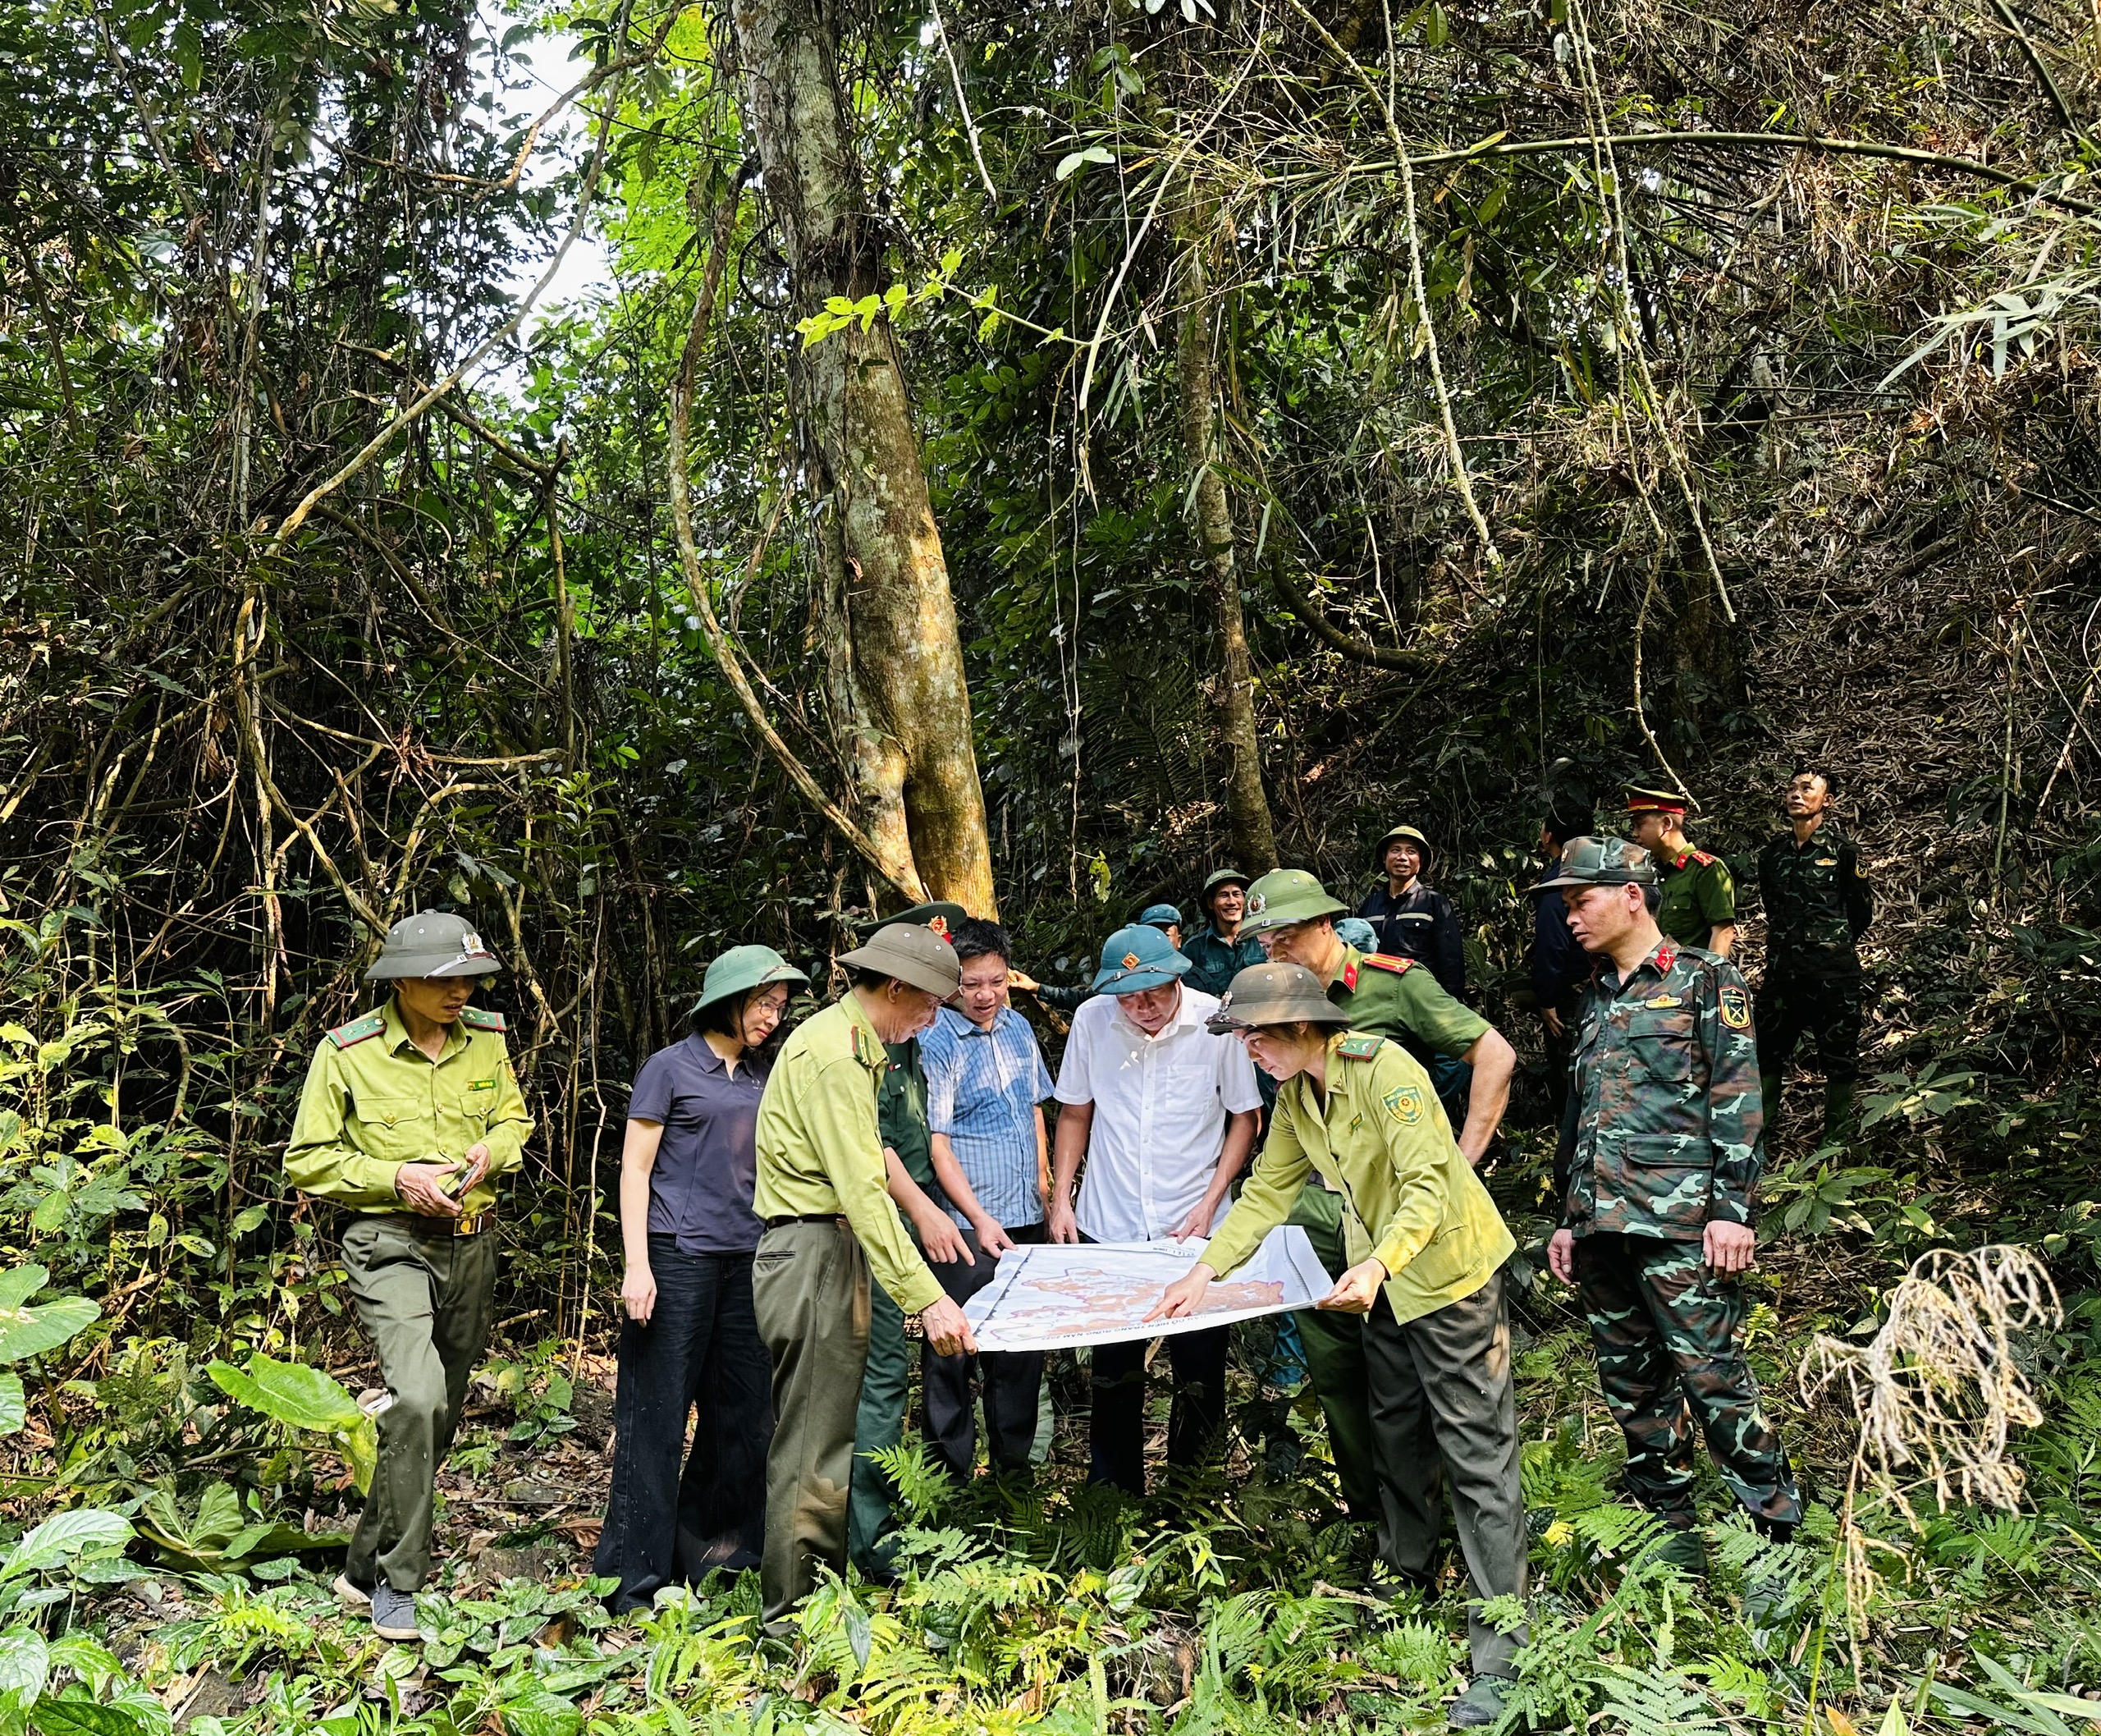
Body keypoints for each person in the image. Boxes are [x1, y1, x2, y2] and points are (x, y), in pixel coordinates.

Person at [1151, 962, 1527, 1730]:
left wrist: (1381, 1263)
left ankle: (1503, 1652)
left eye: (1255, 1035)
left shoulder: (1385, 1070)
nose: (1247, 1049)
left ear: (1297, 1026)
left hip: (1444, 1275)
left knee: (1476, 1451)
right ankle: (1408, 1568)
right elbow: (1268, 1189)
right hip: (1378, 1282)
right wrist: (1204, 1271)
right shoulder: (1296, 1095)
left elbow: (1430, 1181)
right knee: (1395, 1429)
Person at [1540, 836, 1801, 1575]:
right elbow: (1580, 1116)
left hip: (1682, 1224)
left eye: (1580, 901)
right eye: (1565, 906)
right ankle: (1669, 1533)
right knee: (1632, 1386)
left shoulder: (1704, 980)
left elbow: (1739, 1096)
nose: (1571, 918)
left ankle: (1774, 1538)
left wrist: (1732, 1209)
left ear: (1631, 895)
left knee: (1712, 1375)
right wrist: (1569, 1216)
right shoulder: (1593, 998)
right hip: (1603, 1225)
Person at [1237, 868, 1516, 1524]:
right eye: (1261, 938)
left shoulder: (1392, 983)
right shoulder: (1267, 1001)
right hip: (1320, 1210)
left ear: (1327, 923)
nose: (1272, 948)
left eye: (1285, 934)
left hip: (1409, 1218)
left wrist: (1459, 1165)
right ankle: (1382, 1527)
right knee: (1349, 1383)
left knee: (1446, 1391)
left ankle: (1462, 1537)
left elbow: (1494, 1055)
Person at [288, 911, 533, 1642]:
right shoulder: (347, 1052)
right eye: (444, 979)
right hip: (388, 1240)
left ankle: (358, 1566)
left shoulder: (487, 1038)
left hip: (472, 1244)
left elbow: (515, 1122)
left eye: (469, 977)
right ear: (400, 981)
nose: (461, 990)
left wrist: (492, 1151)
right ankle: (398, 1581)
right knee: (417, 1395)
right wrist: (396, 1176)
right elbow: (308, 1158)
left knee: (436, 1414)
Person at [751, 921, 977, 1624]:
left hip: (834, 1249)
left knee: (835, 1435)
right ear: (897, 987)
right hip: (813, 1252)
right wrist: (931, 1300)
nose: (935, 1017)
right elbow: (863, 1193)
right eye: (932, 1002)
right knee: (813, 1444)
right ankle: (790, 1619)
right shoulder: (834, 1054)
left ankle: (822, 1597)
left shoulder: (858, 1050)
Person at [594, 944, 807, 1612]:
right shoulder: (670, 1066)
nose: (772, 1016)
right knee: (655, 1417)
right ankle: (631, 1579)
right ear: (728, 998)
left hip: (748, 1260)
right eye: (762, 1003)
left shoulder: (763, 1075)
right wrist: (637, 1264)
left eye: (779, 1006)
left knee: (743, 1414)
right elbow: (634, 1169)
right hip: (676, 1257)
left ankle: (714, 1555)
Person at [1047, 923, 1261, 1493]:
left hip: (1193, 1230)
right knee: (1114, 1370)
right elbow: (1074, 1111)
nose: (1141, 1007)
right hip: (1110, 1222)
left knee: (1200, 1371)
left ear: (1176, 977)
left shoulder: (1216, 1020)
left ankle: (1192, 1495)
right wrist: (1061, 1197)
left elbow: (1246, 1117)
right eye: (1128, 996)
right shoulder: (1093, 1020)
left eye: (1153, 993)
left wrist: (1213, 1199)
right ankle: (1112, 1496)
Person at [845, 902, 974, 1580]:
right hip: (882, 1227)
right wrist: (924, 1210)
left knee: (903, 1380)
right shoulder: (860, 1042)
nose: (934, 1008)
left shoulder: (911, 1038)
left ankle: (895, 1521)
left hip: (917, 1222)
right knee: (880, 1379)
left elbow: (919, 1137)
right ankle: (868, 1544)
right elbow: (874, 1148)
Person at [918, 917, 1056, 1483]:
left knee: (1020, 1355)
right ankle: (947, 1485)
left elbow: (1035, 1108)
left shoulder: (1019, 1028)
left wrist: (1048, 1188)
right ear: (952, 983)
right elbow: (937, 1143)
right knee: (952, 1355)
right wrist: (976, 1217)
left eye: (996, 981)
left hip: (1025, 1220)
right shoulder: (937, 1039)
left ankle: (1012, 1478)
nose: (985, 995)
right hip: (965, 1229)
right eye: (973, 983)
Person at [1745, 766, 1873, 1144]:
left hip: (1833, 975)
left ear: (1826, 801)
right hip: (1783, 973)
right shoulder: (1772, 856)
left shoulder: (1843, 852)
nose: (1796, 794)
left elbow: (1860, 912)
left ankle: (1834, 1141)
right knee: (1768, 1053)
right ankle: (1761, 1134)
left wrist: (1829, 944)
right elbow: (1773, 906)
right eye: (1791, 788)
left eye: (1807, 788)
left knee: (1839, 1057)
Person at [1529, 799, 1599, 1121]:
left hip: (1572, 989)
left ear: (1548, 835)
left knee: (1569, 1063)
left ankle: (1568, 1133)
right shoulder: (1599, 874)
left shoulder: (1557, 884)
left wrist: (1547, 999)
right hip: (1603, 979)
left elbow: (1551, 945)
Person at [1625, 786, 1738, 958]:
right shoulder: (1651, 875)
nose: (1634, 834)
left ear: (1666, 824)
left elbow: (1723, 932)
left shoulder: (1704, 869)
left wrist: (1709, 980)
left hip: (1692, 978)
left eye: (1640, 825)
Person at [1359, 825, 1467, 997]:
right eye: (1395, 850)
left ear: (1420, 861)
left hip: (1420, 999)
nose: (1402, 857)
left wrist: (1450, 1005)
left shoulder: (1434, 903)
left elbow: (1450, 960)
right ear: (1385, 858)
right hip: (1376, 1000)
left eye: (1411, 851)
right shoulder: (1370, 905)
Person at [1181, 869, 1266, 998]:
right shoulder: (1194, 948)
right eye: (1224, 895)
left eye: (1236, 894)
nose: (1232, 902)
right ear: (1211, 903)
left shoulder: (1264, 939)